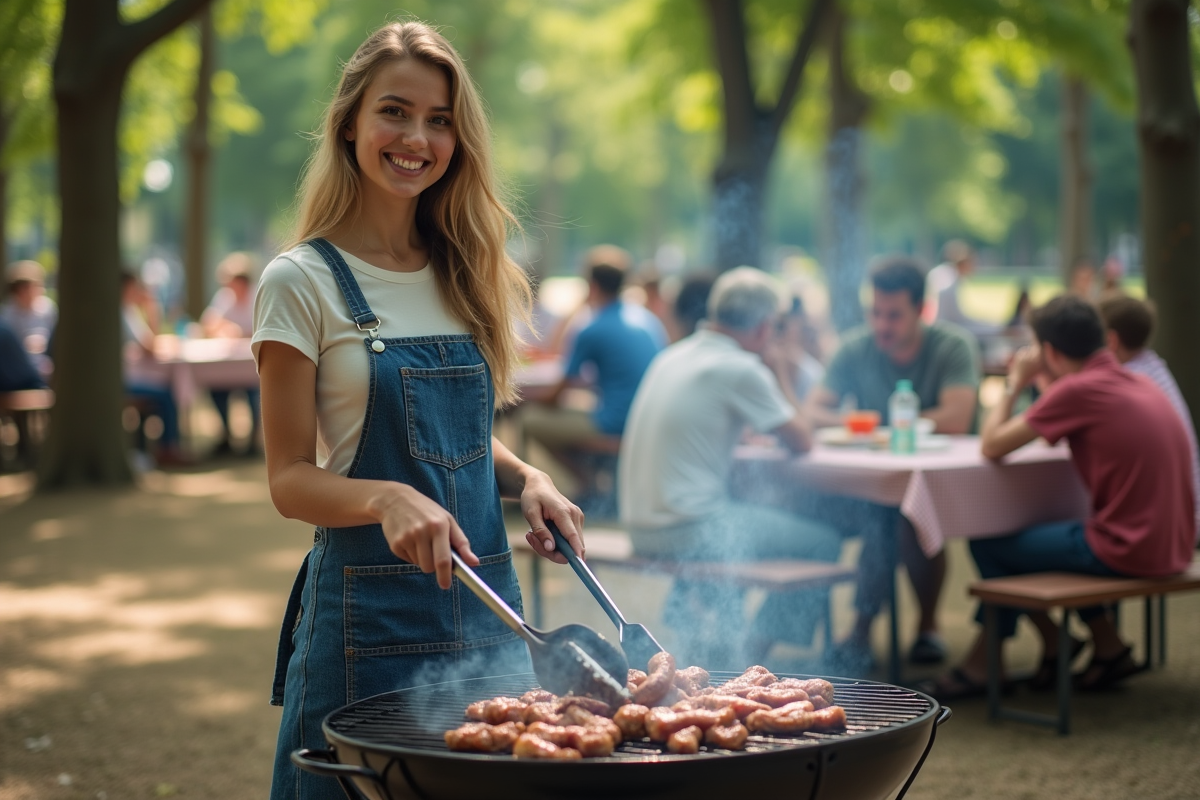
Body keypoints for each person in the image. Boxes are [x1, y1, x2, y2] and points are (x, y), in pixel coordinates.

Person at [251, 23, 584, 800]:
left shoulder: (466, 269)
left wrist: (529, 476)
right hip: (370, 622)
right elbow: (290, 478)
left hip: (496, 616)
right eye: (395, 112)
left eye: (439, 120)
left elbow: (462, 440)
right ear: (350, 124)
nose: (417, 138)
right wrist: (387, 496)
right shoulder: (299, 282)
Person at [925, 296, 1195, 699]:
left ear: (1049, 350)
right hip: (1174, 542)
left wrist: (1016, 381)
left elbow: (993, 445)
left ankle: (1000, 657)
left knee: (989, 539)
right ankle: (1098, 644)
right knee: (1045, 540)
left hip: (1128, 547)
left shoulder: (1079, 390)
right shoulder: (1134, 378)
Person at [618, 267, 842, 667]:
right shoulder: (741, 367)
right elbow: (802, 438)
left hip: (639, 526)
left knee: (742, 519)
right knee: (823, 542)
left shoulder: (674, 354)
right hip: (686, 529)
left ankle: (702, 630)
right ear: (763, 327)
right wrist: (778, 368)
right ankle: (753, 654)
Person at [806, 255, 981, 666]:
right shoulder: (855, 347)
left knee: (909, 516)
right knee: (884, 516)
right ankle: (875, 631)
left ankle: (915, 626)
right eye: (876, 313)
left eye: (894, 316)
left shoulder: (952, 347)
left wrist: (880, 427)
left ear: (922, 310)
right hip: (878, 482)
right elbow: (813, 411)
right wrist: (863, 425)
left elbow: (957, 418)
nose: (882, 325)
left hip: (949, 481)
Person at [522, 245, 666, 496]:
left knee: (530, 420)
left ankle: (589, 484)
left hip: (617, 423)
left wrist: (521, 399)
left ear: (591, 285)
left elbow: (557, 395)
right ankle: (598, 484)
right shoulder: (646, 319)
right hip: (649, 418)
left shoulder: (593, 327)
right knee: (578, 408)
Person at [1098, 294, 1200, 540]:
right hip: (1187, 517)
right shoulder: (1154, 368)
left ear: (1111, 340)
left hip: (1172, 529)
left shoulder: (1127, 383)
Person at [121, 272, 188, 467]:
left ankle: (165, 446)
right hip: (127, 381)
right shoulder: (124, 312)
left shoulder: (129, 311)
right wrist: (152, 309)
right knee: (166, 394)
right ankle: (168, 448)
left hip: (133, 376)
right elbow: (149, 347)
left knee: (165, 388)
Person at [201, 252, 260, 455]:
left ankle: (254, 440)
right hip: (230, 362)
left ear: (242, 282)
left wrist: (241, 332)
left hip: (254, 365)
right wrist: (224, 327)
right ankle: (226, 435)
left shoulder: (258, 296)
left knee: (256, 393)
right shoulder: (225, 297)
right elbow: (208, 323)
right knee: (216, 389)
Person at [924, 240, 999, 336]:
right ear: (963, 261)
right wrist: (995, 329)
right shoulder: (948, 281)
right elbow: (955, 322)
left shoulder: (945, 274)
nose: (975, 267)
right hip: (941, 332)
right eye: (973, 262)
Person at [1, 260, 58, 378]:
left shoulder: (48, 308)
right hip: (17, 367)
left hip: (47, 364)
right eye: (25, 287)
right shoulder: (6, 313)